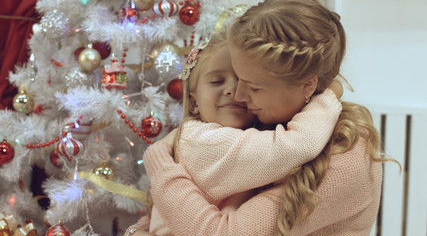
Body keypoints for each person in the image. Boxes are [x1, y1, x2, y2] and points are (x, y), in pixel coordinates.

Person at [125, 0, 393, 234]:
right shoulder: (261, 124)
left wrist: (160, 165)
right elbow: (166, 212)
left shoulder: (346, 152)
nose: (238, 95)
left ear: (308, 85)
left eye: (253, 86)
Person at [144, 32, 342, 235]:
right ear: (194, 103)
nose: (233, 90)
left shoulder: (245, 135)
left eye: (245, 82)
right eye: (217, 81)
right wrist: (326, 95)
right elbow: (299, 144)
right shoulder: (203, 142)